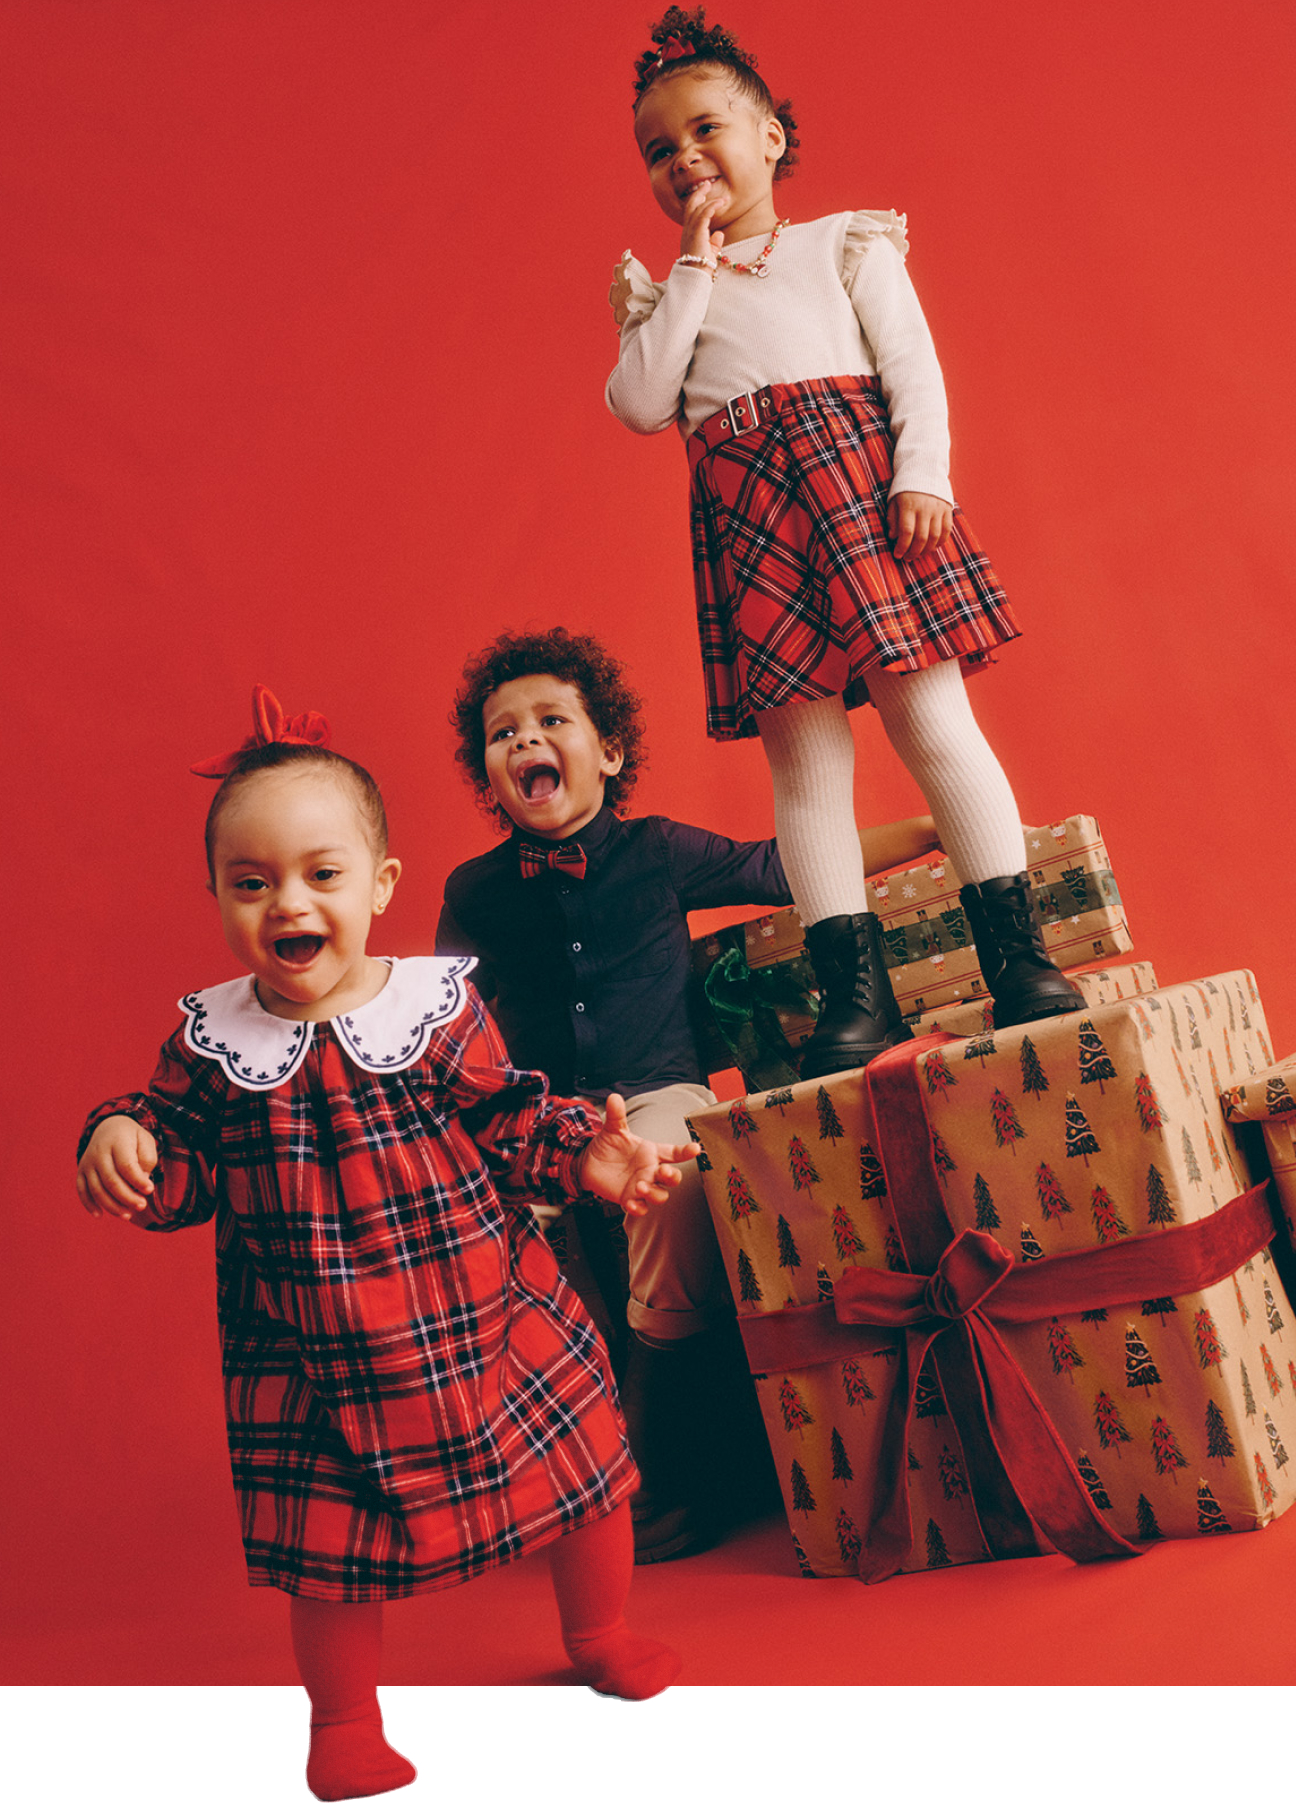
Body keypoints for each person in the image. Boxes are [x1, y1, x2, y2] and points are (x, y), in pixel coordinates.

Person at [76, 686, 686, 1804]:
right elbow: (186, 1164)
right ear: (215, 894)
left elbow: (511, 1116)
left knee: (585, 1464)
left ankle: (597, 1632)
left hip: (482, 1308)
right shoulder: (213, 1045)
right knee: (327, 1543)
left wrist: (586, 1157)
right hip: (311, 1348)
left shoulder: (432, 1010)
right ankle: (344, 1720)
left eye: (320, 875)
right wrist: (127, 1145)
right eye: (251, 883)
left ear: (380, 886)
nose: (286, 904)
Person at [606, 5, 1083, 1082]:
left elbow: (913, 369)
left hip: (863, 500)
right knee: (808, 766)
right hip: (755, 528)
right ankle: (853, 996)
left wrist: (923, 476)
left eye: (706, 130)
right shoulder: (664, 294)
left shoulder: (841, 244)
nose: (684, 159)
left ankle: (1019, 959)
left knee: (933, 720)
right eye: (658, 151)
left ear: (770, 133)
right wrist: (689, 266)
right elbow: (641, 406)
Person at [436, 627, 938, 1561]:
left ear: (609, 751)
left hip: (658, 1094)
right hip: (544, 1116)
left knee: (667, 1186)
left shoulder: (658, 850)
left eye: (551, 720)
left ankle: (656, 1468)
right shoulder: (475, 891)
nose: (525, 740)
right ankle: (509, 1475)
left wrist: (942, 824)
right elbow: (444, 1024)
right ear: (490, 775)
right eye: (503, 733)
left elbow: (790, 865)